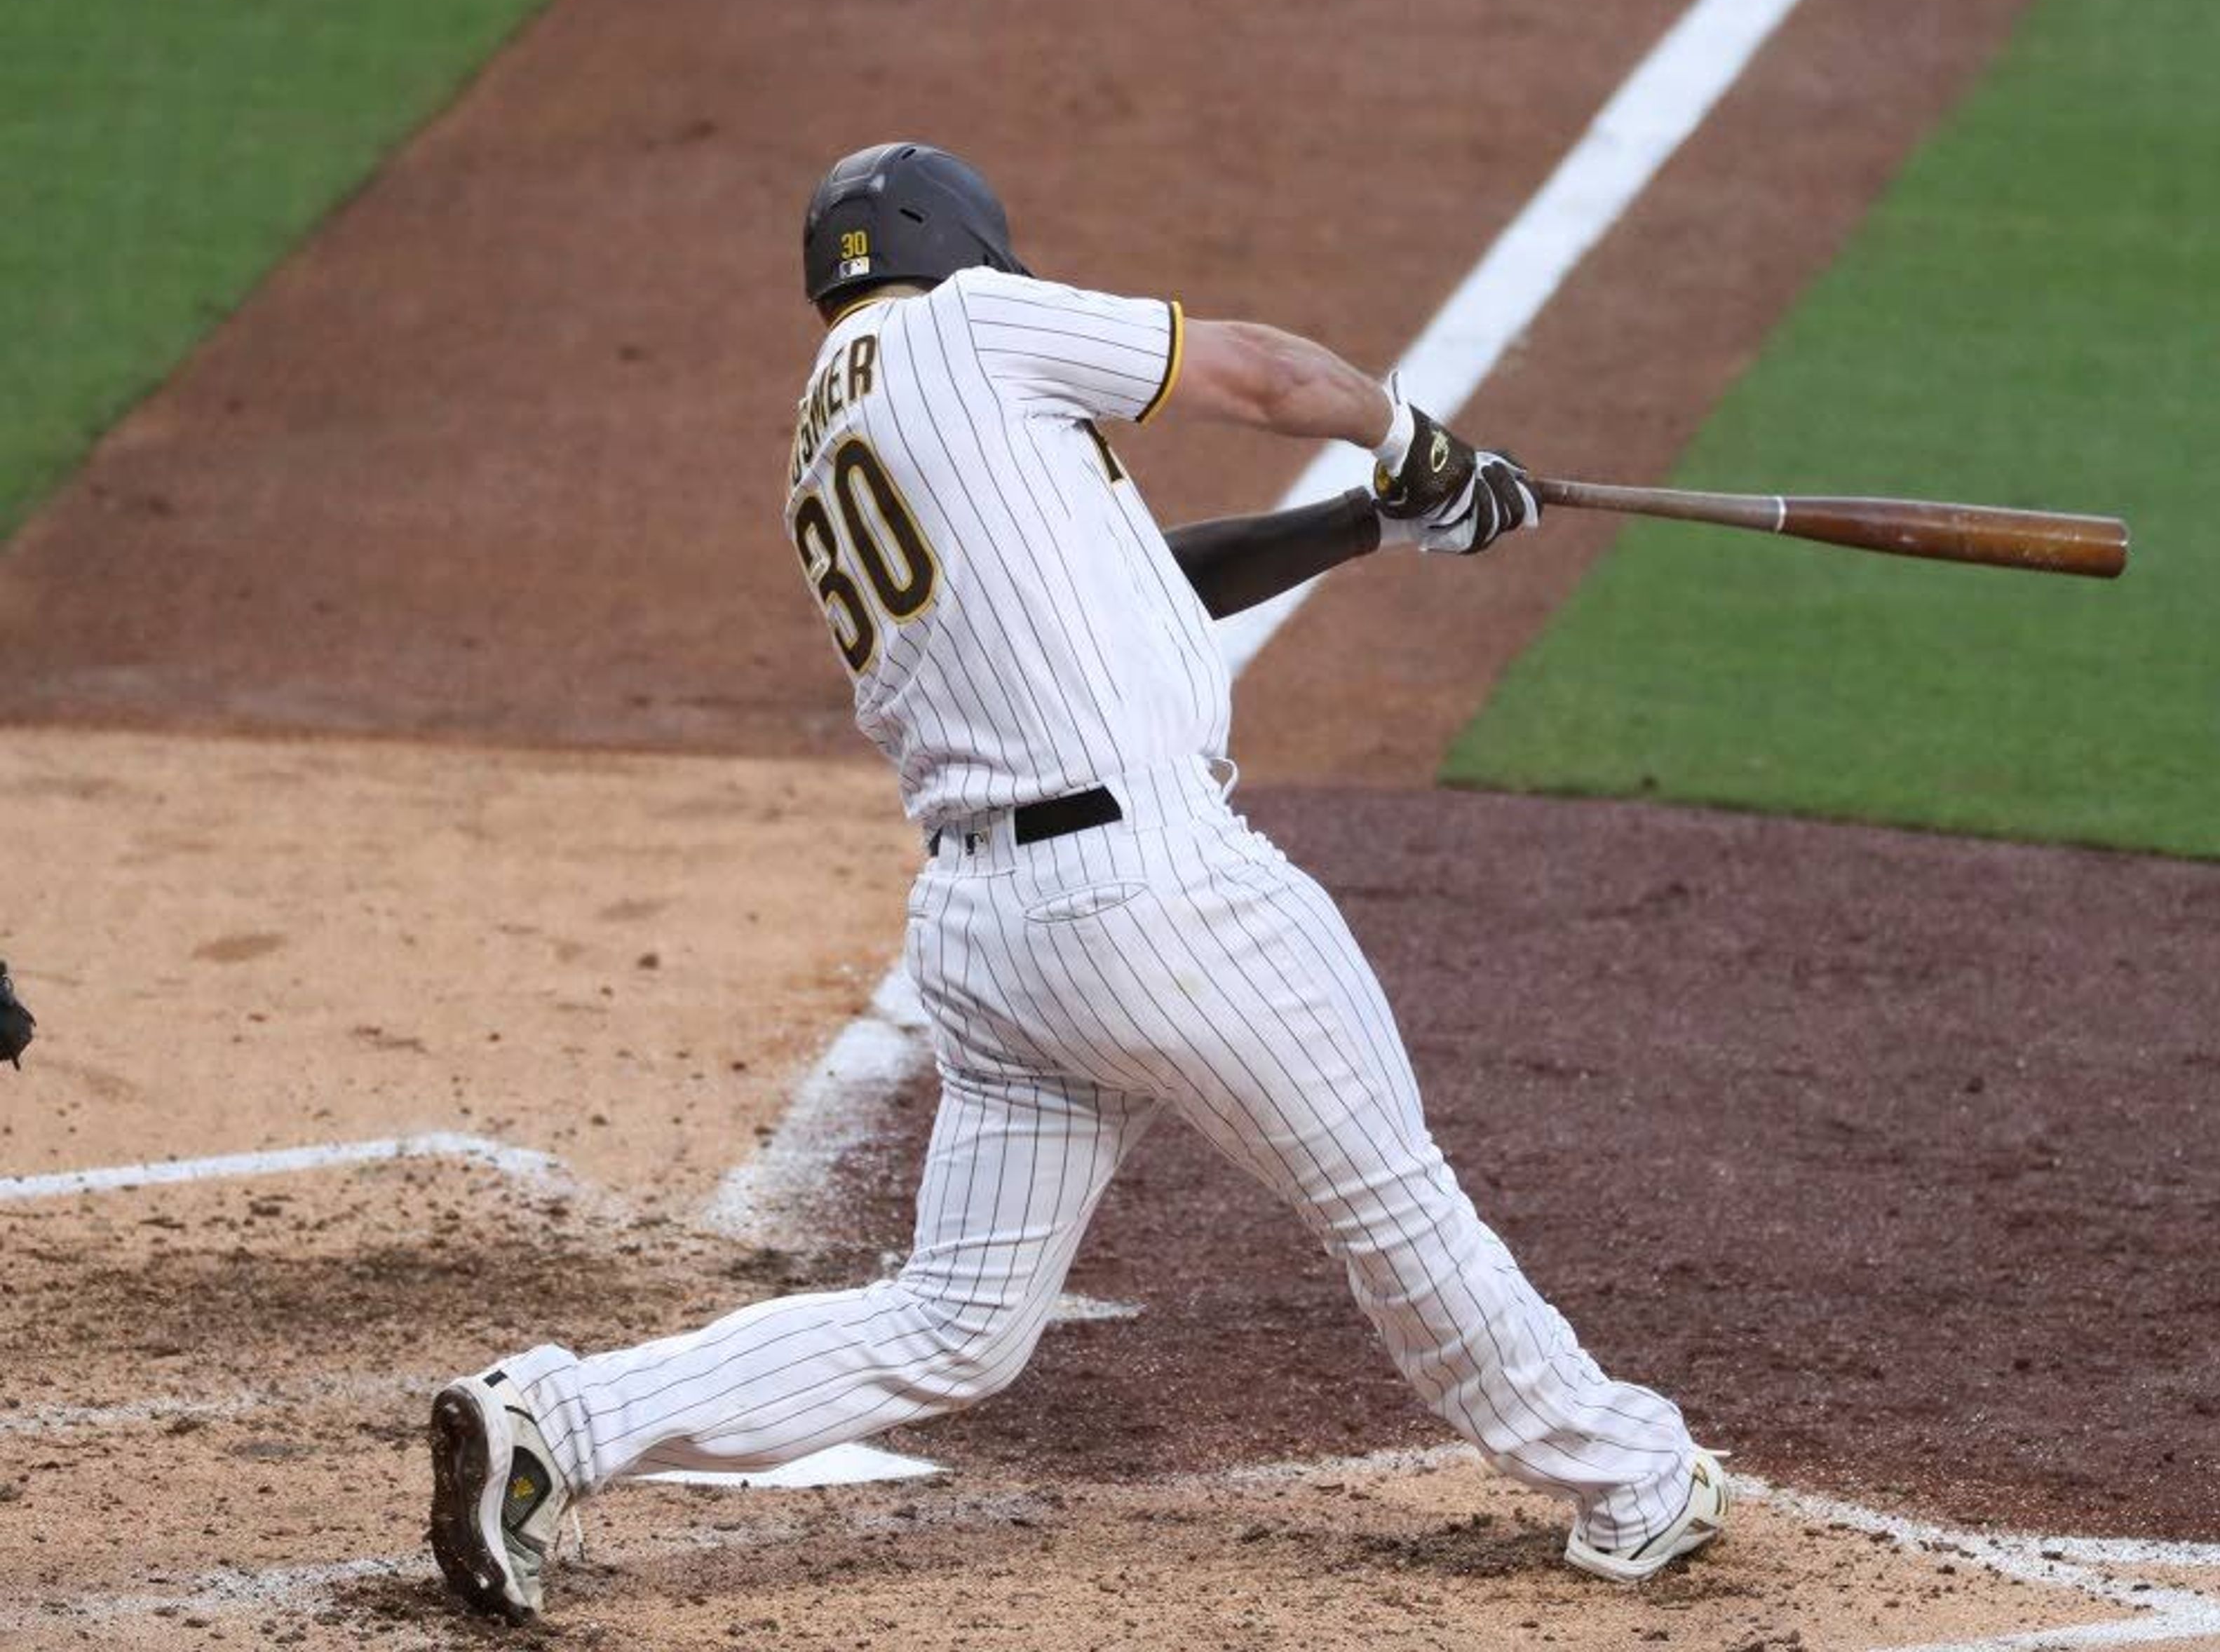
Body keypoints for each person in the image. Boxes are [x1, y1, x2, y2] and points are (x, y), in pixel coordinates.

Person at [427, 143, 1725, 1620]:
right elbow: (1258, 367)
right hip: (1159, 897)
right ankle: (1632, 1478)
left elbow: (1144, 578)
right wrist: (1407, 436)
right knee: (1390, 1196)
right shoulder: (966, 326)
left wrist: (1374, 522)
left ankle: (556, 1421)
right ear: (963, 243)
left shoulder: (829, 427)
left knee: (953, 1326)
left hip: (995, 940)